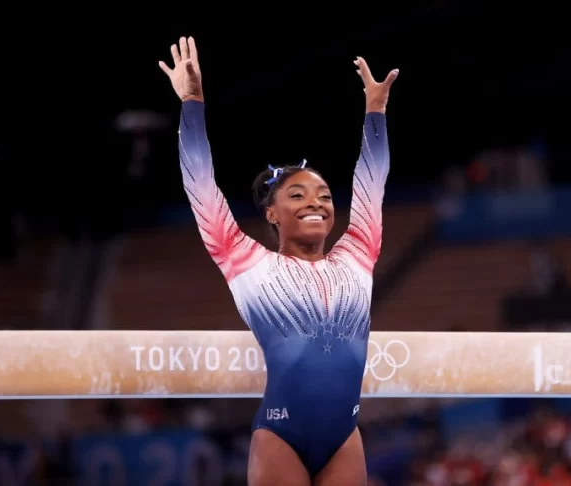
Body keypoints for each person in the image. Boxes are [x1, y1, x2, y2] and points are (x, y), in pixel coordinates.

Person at [159, 36, 398, 485]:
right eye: (298, 194)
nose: (317, 202)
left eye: (325, 195)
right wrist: (191, 102)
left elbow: (372, 178)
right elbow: (201, 183)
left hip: (345, 436)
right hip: (281, 437)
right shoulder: (246, 260)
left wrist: (375, 113)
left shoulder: (358, 253)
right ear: (272, 213)